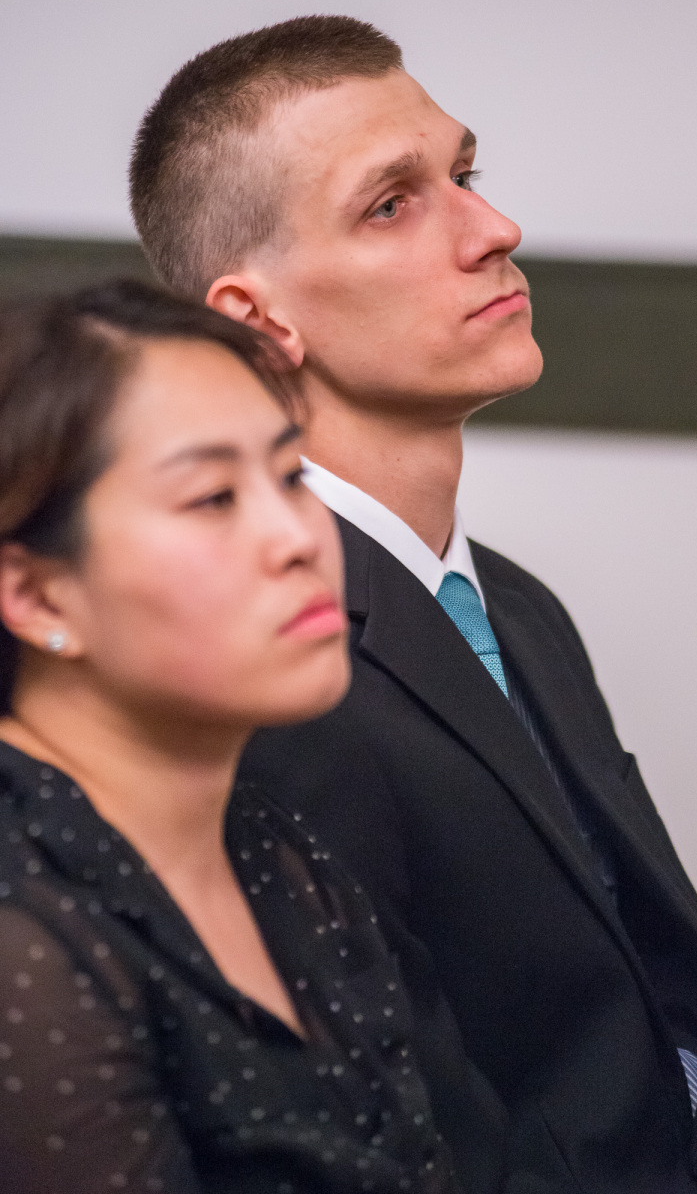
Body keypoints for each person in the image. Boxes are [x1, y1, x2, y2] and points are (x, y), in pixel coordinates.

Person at [129, 16, 697, 1194]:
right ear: (254, 320)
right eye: (391, 204)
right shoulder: (256, 664)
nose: (495, 230)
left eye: (466, 174)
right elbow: (397, 1150)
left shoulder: (519, 608)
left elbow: (676, 1015)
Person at [0, 279, 484, 1194]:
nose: (298, 538)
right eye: (214, 497)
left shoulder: (280, 853)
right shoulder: (24, 941)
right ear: (37, 596)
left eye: (292, 477)